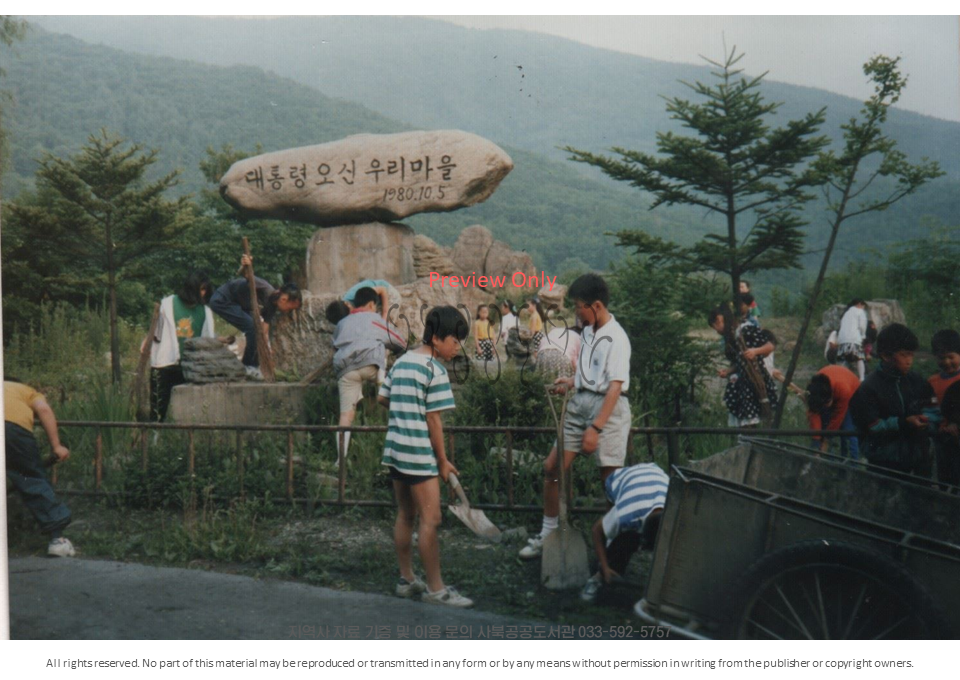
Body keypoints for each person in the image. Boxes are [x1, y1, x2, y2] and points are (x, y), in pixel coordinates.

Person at [519, 274, 632, 560]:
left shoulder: (617, 338)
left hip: (607, 409)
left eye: (579, 306)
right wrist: (571, 382)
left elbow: (615, 386)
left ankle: (611, 547)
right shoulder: (589, 331)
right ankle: (549, 533)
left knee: (610, 483)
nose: (576, 312)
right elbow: (591, 374)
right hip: (580, 402)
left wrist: (596, 427)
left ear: (596, 305)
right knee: (552, 468)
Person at [378, 306, 473, 607]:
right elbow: (434, 421)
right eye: (454, 341)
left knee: (406, 514)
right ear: (436, 337)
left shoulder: (402, 362)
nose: (457, 347)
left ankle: (407, 579)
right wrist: (443, 462)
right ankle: (436, 589)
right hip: (419, 455)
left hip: (395, 451)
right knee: (431, 518)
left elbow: (382, 398)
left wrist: (404, 414)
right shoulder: (435, 370)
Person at [849, 323, 938, 477]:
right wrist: (904, 422)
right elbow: (872, 427)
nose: (909, 360)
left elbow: (933, 407)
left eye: (911, 354)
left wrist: (928, 420)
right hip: (885, 462)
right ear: (886, 356)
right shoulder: (868, 388)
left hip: (919, 457)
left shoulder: (917, 381)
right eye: (904, 355)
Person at [332, 287, 407, 464]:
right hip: (371, 365)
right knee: (382, 350)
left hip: (345, 369)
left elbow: (334, 345)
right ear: (372, 304)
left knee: (345, 417)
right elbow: (399, 341)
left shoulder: (342, 323)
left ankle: (340, 461)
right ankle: (383, 384)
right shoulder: (375, 319)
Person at [4, 378, 76, 557]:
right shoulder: (26, 390)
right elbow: (43, 409)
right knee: (31, 478)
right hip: (12, 431)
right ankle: (57, 541)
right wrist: (57, 446)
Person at [579, 462, 669, 603]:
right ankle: (598, 576)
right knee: (623, 539)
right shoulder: (625, 513)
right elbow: (596, 531)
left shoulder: (675, 512)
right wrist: (605, 566)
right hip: (621, 480)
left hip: (654, 472)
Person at [208, 255, 302, 380]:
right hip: (223, 299)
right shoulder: (265, 287)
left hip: (238, 306)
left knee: (256, 330)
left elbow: (264, 330)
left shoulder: (272, 307)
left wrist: (267, 348)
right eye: (290, 308)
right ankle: (248, 366)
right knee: (252, 327)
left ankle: (254, 366)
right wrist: (245, 265)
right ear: (284, 299)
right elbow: (246, 275)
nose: (288, 312)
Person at [148, 270, 216, 421]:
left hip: (191, 367)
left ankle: (181, 440)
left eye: (205, 289)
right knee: (158, 408)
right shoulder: (167, 304)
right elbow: (156, 333)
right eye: (201, 288)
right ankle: (154, 438)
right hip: (164, 363)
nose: (203, 293)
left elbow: (208, 339)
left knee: (188, 410)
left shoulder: (205, 311)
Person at [708, 300, 777, 428]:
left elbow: (770, 345)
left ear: (719, 320)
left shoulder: (745, 329)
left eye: (714, 327)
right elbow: (739, 361)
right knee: (743, 421)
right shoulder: (732, 336)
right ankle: (745, 443)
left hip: (754, 380)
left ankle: (752, 443)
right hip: (742, 382)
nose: (716, 331)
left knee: (752, 420)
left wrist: (756, 351)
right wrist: (728, 371)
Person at [805, 365, 861, 459]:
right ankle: (821, 461)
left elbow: (838, 417)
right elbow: (814, 414)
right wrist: (817, 439)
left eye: (826, 404)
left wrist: (826, 439)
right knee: (820, 432)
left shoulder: (843, 389)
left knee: (847, 432)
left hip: (852, 395)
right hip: (832, 391)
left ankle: (851, 466)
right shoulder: (814, 390)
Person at [929, 329, 960, 487]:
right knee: (944, 476)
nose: (947, 362)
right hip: (941, 436)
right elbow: (931, 406)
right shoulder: (932, 382)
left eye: (951, 357)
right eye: (942, 358)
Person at [837, 299, 869, 380]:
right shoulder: (860, 311)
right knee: (859, 358)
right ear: (859, 304)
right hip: (854, 338)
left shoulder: (846, 313)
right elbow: (862, 326)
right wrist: (863, 335)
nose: (863, 308)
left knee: (844, 359)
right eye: (863, 306)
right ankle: (862, 378)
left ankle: (840, 377)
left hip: (842, 339)